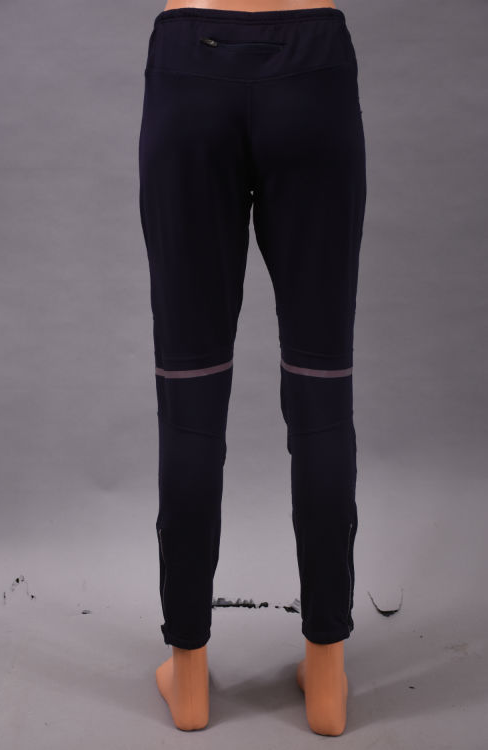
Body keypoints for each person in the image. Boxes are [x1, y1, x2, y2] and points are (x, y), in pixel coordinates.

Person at [138, 0, 366, 734]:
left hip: (189, 64)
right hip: (314, 72)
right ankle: (326, 674)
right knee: (322, 392)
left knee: (190, 395)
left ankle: (189, 675)